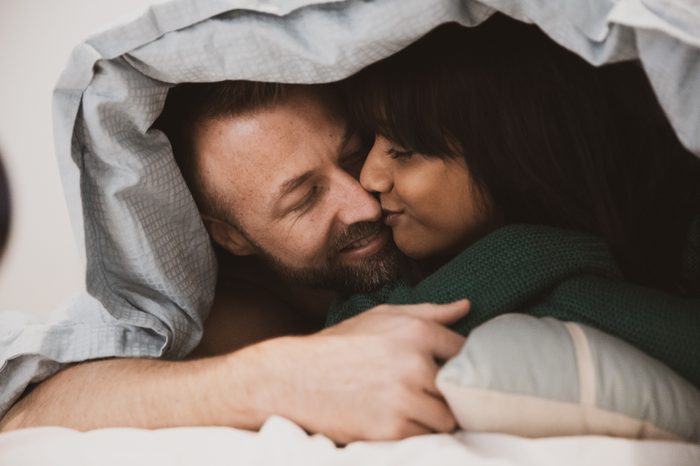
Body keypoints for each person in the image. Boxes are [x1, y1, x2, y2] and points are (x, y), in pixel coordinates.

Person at [0, 82, 469, 443]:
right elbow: (28, 413)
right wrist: (281, 375)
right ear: (230, 236)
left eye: (351, 156)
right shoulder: (231, 321)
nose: (364, 205)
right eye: (304, 199)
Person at [327, 16, 700, 386]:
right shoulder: (407, 254)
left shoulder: (682, 230)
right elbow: (346, 339)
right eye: (369, 139)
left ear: (512, 155)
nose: (368, 178)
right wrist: (529, 252)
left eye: (404, 151)